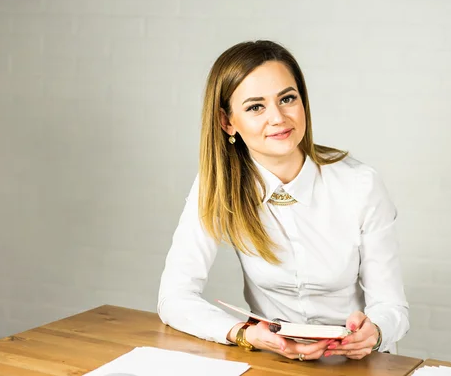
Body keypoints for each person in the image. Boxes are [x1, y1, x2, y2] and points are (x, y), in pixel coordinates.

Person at [157, 40, 409, 361]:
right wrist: (244, 334)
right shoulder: (219, 185)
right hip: (272, 361)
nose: (278, 118)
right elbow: (175, 297)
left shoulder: (360, 184)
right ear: (227, 122)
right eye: (255, 107)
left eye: (287, 99)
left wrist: (376, 332)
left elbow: (392, 307)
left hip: (356, 364)